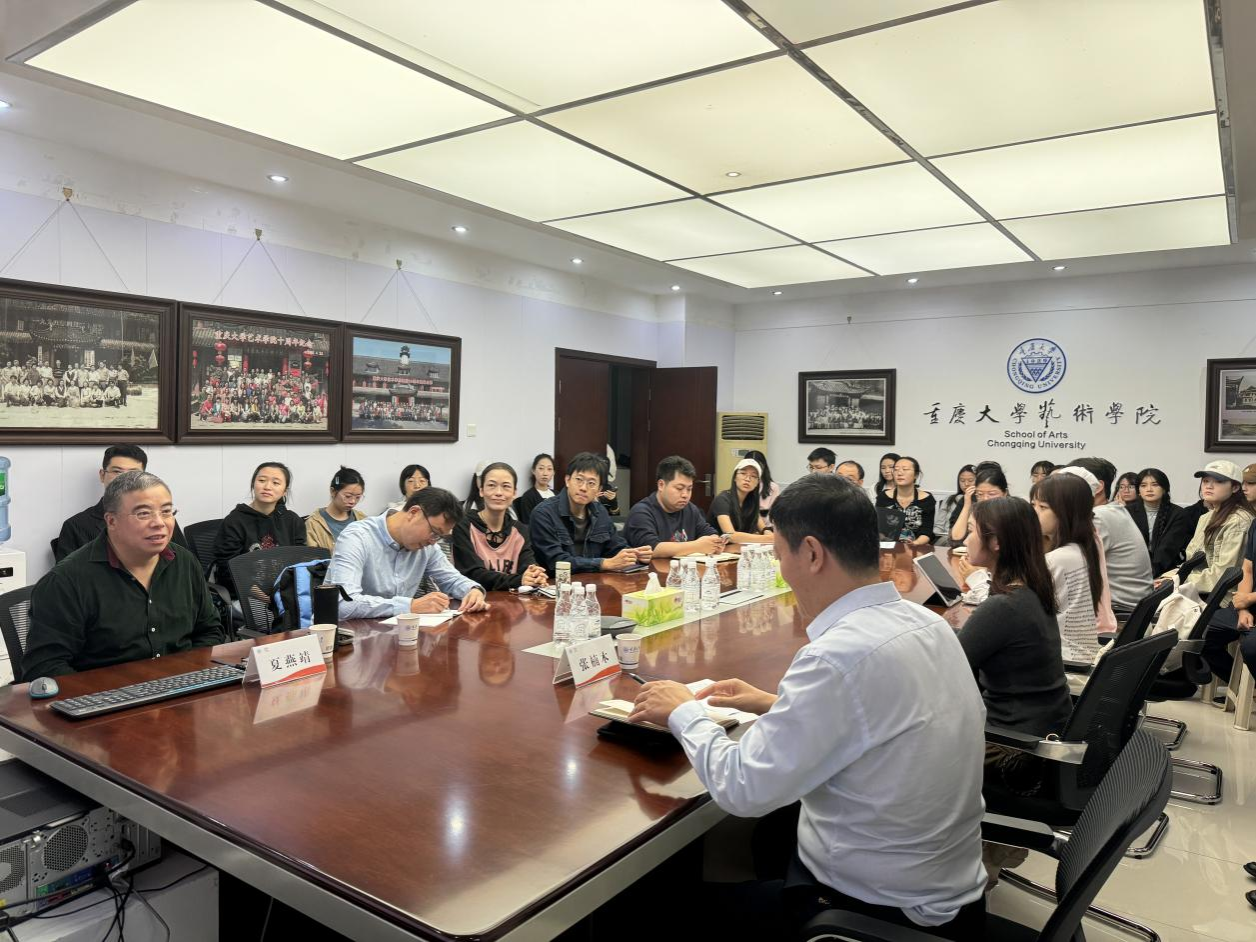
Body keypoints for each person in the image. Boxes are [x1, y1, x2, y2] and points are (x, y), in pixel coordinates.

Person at [629, 475, 987, 939]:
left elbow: (743, 789)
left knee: (652, 907)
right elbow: (881, 716)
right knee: (775, 831)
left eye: (780, 555)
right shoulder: (925, 622)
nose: (781, 570)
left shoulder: (836, 656)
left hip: (875, 911)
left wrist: (683, 711)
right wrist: (774, 703)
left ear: (813, 554)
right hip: (944, 886)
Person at [21, 471, 223, 680]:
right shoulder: (66, 581)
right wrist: (110, 693)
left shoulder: (185, 562)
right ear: (111, 521)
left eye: (166, 511)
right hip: (104, 695)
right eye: (143, 514)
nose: (159, 522)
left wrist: (187, 675)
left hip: (181, 687)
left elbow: (209, 631)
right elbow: (44, 668)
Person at [959, 497, 1071, 804]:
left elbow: (945, 669)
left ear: (995, 541)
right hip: (1042, 733)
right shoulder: (1033, 589)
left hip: (1013, 750)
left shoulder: (1003, 607)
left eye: (971, 530)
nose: (965, 540)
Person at [325, 486, 489, 619]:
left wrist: (473, 590)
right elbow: (344, 604)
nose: (433, 541)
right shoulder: (357, 538)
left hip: (395, 635)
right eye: (434, 532)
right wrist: (409, 606)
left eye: (439, 537)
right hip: (346, 638)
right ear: (413, 513)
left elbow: (452, 580)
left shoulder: (427, 546)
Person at [55, 445, 190, 561]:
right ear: (102, 475)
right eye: (117, 472)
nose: (125, 479)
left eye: (133, 474)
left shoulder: (162, 519)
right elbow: (67, 578)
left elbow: (185, 563)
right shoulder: (76, 526)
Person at [529, 452, 651, 573]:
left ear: (599, 490)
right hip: (556, 582)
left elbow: (615, 547)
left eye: (591, 483)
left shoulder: (600, 511)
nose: (583, 488)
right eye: (579, 479)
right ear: (567, 480)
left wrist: (635, 555)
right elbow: (556, 561)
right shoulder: (543, 514)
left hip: (595, 581)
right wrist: (603, 564)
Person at [1030, 473, 1106, 661]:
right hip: (1078, 655)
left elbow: (1015, 609)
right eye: (1033, 505)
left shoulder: (1057, 559)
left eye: (1043, 507)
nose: (1033, 513)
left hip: (1062, 662)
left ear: (1066, 513)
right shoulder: (1082, 548)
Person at [1067, 457, 1153, 613]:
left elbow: (1069, 568)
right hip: (1130, 609)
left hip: (1119, 613)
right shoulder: (1112, 511)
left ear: (1098, 486)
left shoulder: (1098, 518)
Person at [212, 461, 306, 597]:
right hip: (244, 595)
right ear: (253, 484)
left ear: (284, 491)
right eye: (262, 480)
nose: (267, 487)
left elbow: (301, 561)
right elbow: (228, 567)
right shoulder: (235, 521)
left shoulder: (292, 520)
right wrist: (261, 595)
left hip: (284, 593)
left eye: (276, 483)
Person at [452, 462, 547, 591]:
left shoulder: (520, 530)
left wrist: (534, 575)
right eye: (491, 485)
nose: (498, 492)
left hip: (512, 601)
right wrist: (518, 580)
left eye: (506, 486)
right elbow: (472, 574)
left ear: (514, 493)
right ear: (481, 490)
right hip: (475, 599)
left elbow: (527, 565)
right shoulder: (464, 526)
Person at [1167, 460, 1253, 601]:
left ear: (1235, 487)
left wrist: (1176, 580)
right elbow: (1191, 560)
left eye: (1218, 481)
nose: (1209, 486)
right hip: (1197, 590)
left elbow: (1223, 574)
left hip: (1223, 598)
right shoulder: (1206, 518)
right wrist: (1171, 576)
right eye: (1205, 481)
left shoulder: (1239, 521)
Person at [624, 456, 725, 558]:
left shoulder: (690, 509)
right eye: (679, 488)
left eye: (689, 489)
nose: (685, 495)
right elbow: (651, 549)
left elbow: (708, 532)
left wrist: (715, 543)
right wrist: (697, 546)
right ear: (661, 485)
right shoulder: (641, 512)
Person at [1126, 468, 1193, 576]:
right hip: (1131, 570)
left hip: (1166, 571)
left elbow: (1168, 550)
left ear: (1164, 489)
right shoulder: (1127, 512)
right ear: (1138, 491)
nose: (1149, 489)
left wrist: (1149, 575)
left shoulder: (1178, 514)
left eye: (1155, 485)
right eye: (1143, 485)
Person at [708, 459, 774, 544]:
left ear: (757, 483)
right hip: (717, 548)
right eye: (743, 473)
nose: (747, 479)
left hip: (738, 548)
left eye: (753, 476)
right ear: (735, 477)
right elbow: (730, 535)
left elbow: (763, 528)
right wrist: (768, 538)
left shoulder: (751, 502)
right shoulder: (722, 499)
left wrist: (767, 532)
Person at [876, 456, 936, 545]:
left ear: (916, 475)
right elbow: (878, 528)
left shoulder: (926, 499)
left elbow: (927, 532)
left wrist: (915, 543)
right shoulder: (884, 497)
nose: (899, 473)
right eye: (896, 469)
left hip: (917, 546)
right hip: (888, 546)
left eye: (905, 469)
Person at [305, 467, 366, 551]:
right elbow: (312, 556)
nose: (353, 501)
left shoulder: (363, 520)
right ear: (333, 491)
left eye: (358, 497)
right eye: (348, 496)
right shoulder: (314, 523)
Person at [948, 465, 1008, 546]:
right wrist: (967, 505)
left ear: (1005, 493)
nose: (985, 498)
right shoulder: (970, 501)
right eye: (980, 494)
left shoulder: (1014, 510)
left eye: (991, 494)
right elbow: (956, 538)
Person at [935, 465, 976, 546]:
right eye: (962, 480)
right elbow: (938, 528)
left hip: (967, 541)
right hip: (946, 538)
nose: (966, 484)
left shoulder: (979, 501)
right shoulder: (949, 499)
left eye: (970, 480)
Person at [513, 453, 556, 525]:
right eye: (541, 468)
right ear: (533, 470)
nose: (545, 473)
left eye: (549, 469)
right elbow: (528, 525)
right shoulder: (528, 497)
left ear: (553, 472)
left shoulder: (558, 495)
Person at [744, 449, 781, 522]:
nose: (755, 470)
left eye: (758, 466)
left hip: (765, 526)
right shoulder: (742, 484)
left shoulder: (773, 487)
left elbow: (773, 515)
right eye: (751, 467)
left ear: (764, 467)